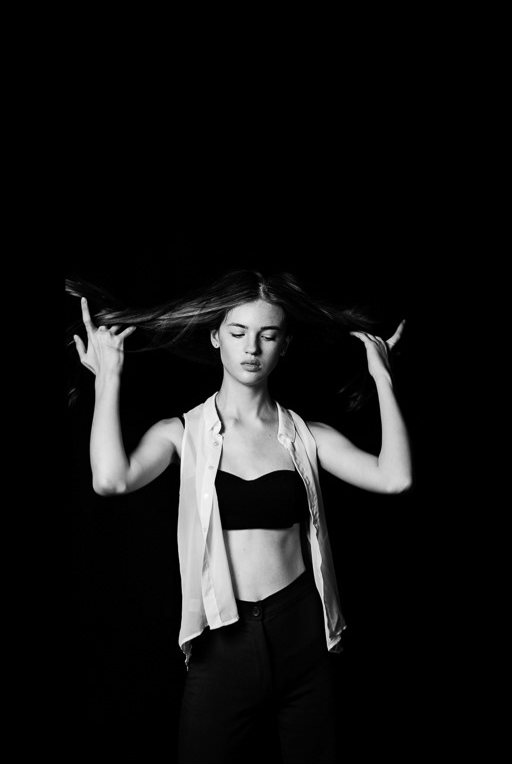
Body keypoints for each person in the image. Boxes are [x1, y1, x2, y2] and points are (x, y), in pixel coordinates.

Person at [67, 268, 412, 764]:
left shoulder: (307, 436)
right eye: (238, 332)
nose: (252, 347)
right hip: (223, 641)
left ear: (284, 345)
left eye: (268, 335)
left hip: (301, 634)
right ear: (215, 338)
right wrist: (108, 380)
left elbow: (395, 478)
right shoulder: (180, 433)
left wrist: (382, 378)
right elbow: (110, 479)